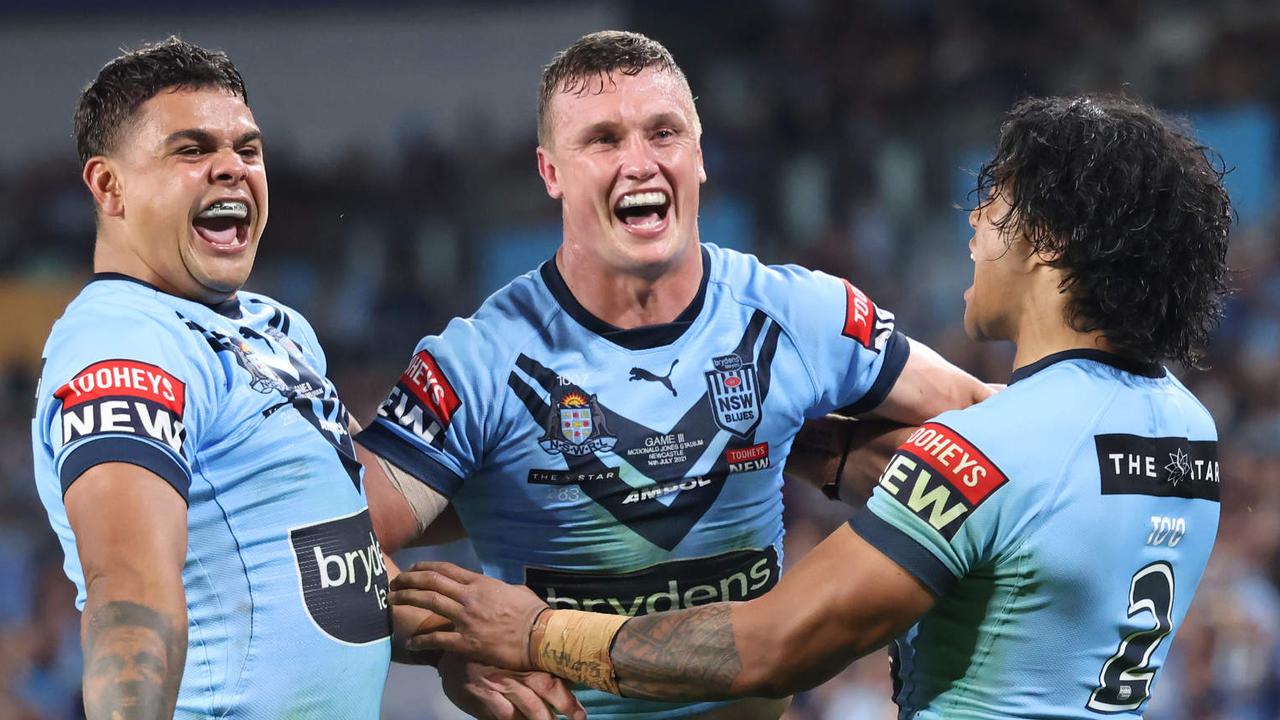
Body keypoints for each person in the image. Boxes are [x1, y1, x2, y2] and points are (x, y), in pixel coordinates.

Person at [389, 94, 1233, 719]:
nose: (974, 225)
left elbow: (770, 647)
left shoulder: (992, 447)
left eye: (997, 205)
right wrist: (811, 451)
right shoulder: (1188, 432)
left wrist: (537, 633)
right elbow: (1022, 504)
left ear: (1049, 241)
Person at [356, 30, 991, 720]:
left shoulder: (800, 315)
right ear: (551, 172)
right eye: (603, 140)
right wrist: (442, 648)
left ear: (700, 154)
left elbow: (988, 419)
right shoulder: (479, 362)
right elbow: (331, 546)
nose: (640, 162)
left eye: (664, 133)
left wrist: (841, 460)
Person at [29, 38, 399, 719]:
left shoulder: (276, 329)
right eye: (192, 150)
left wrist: (482, 646)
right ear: (108, 187)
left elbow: (346, 546)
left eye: (247, 150)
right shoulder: (127, 342)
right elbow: (130, 591)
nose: (231, 168)